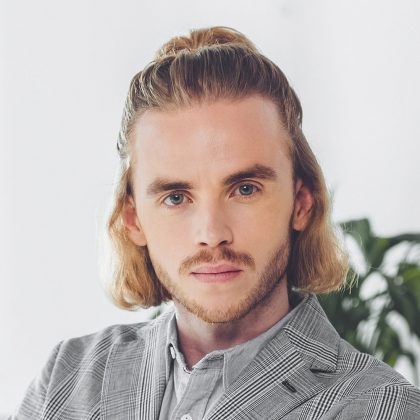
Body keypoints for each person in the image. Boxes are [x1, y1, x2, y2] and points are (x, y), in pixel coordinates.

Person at [12, 26, 420, 420]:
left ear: (300, 203)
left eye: (244, 189)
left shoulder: (379, 407)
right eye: (176, 197)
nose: (211, 234)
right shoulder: (68, 377)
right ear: (134, 219)